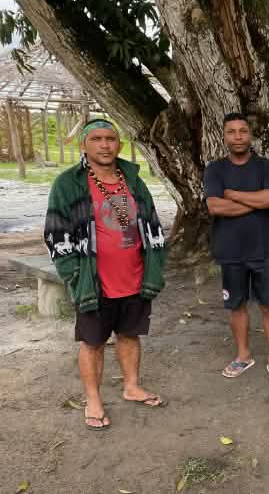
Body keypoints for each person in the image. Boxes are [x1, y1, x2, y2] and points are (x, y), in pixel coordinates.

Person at [44, 118, 167, 431]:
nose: (104, 144)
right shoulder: (68, 183)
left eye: (110, 139)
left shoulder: (133, 181)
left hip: (135, 277)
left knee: (129, 334)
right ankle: (93, 400)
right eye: (96, 139)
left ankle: (132, 386)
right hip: (94, 282)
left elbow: (152, 225)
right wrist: (74, 276)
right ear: (84, 145)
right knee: (93, 341)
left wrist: (154, 268)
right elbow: (56, 235)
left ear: (119, 145)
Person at [204, 112, 269, 382]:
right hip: (230, 250)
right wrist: (255, 201)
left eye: (243, 131)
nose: (238, 137)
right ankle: (243, 356)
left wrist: (233, 195)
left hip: (264, 249)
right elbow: (215, 206)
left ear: (250, 134)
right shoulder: (215, 169)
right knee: (236, 305)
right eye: (232, 132)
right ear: (224, 136)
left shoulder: (266, 167)